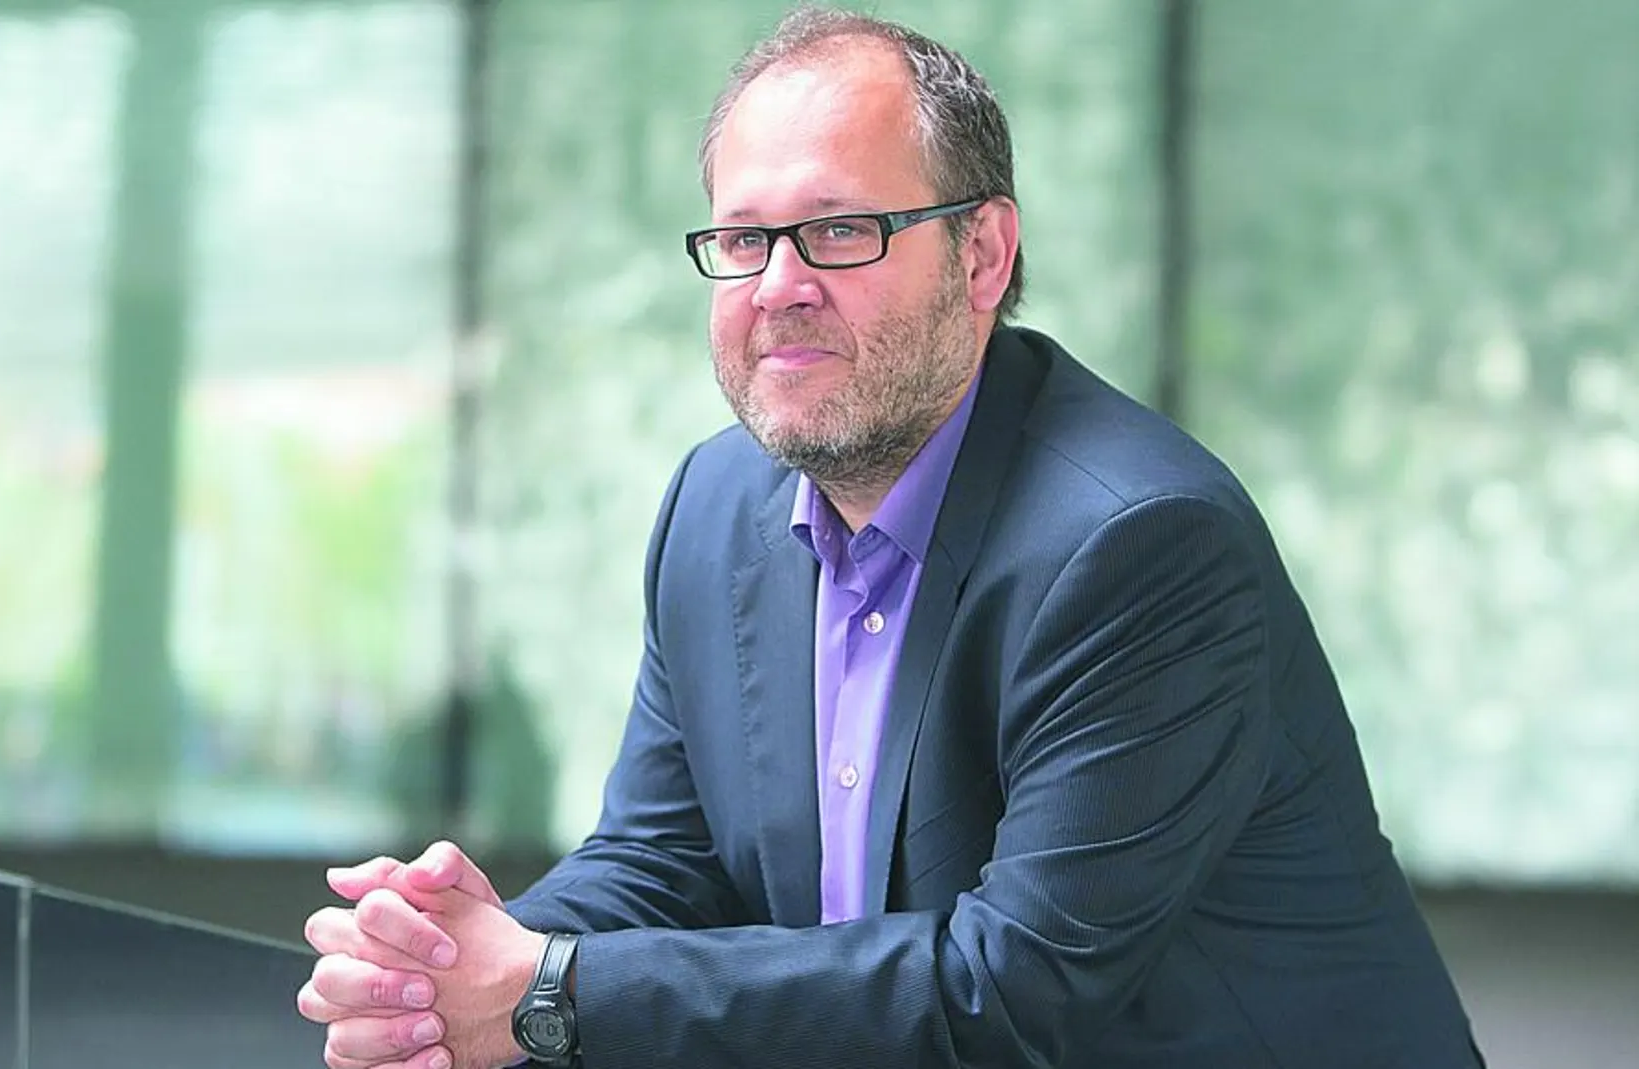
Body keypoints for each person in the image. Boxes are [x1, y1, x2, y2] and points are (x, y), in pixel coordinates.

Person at [297, 7, 1486, 1069]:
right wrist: (452, 966)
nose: (777, 284)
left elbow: (1010, 995)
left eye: (840, 231)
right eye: (743, 238)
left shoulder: (1136, 545)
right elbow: (668, 863)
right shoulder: (715, 510)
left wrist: (546, 991)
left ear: (982, 255)